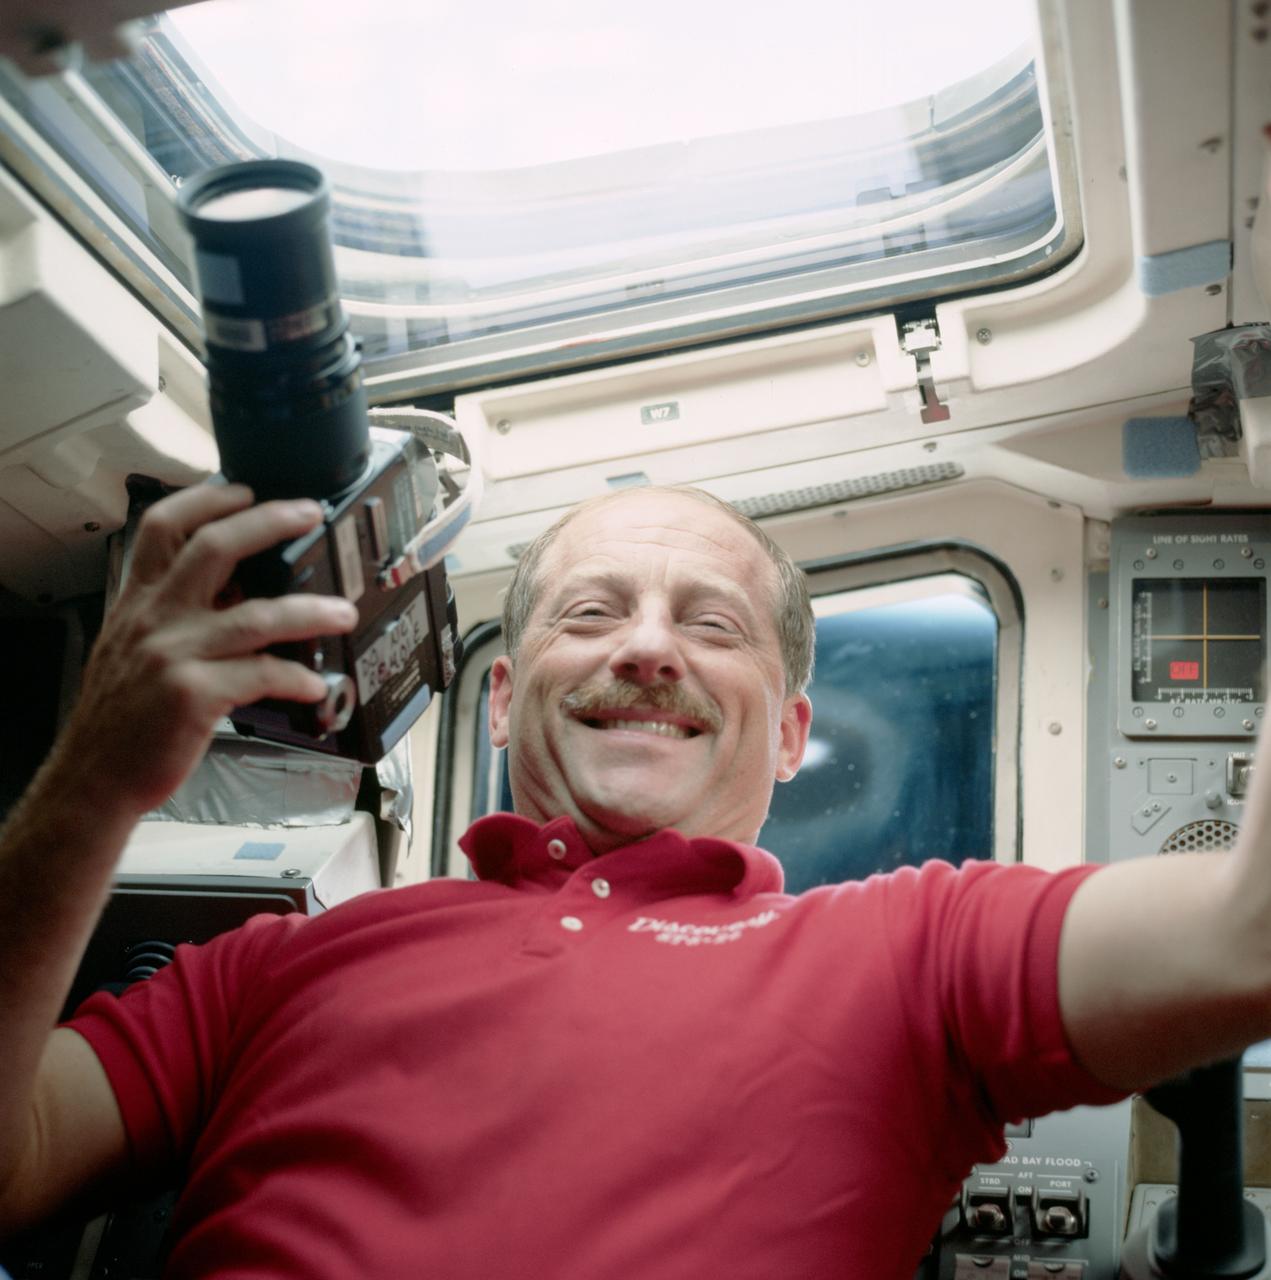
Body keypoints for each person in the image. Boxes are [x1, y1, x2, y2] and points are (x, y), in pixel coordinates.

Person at [0, 480, 1269, 1279]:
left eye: (710, 624)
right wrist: (95, 779)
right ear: (501, 700)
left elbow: (1240, 938)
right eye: (594, 612)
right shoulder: (281, 963)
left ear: (785, 730)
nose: (649, 646)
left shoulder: (909, 949)